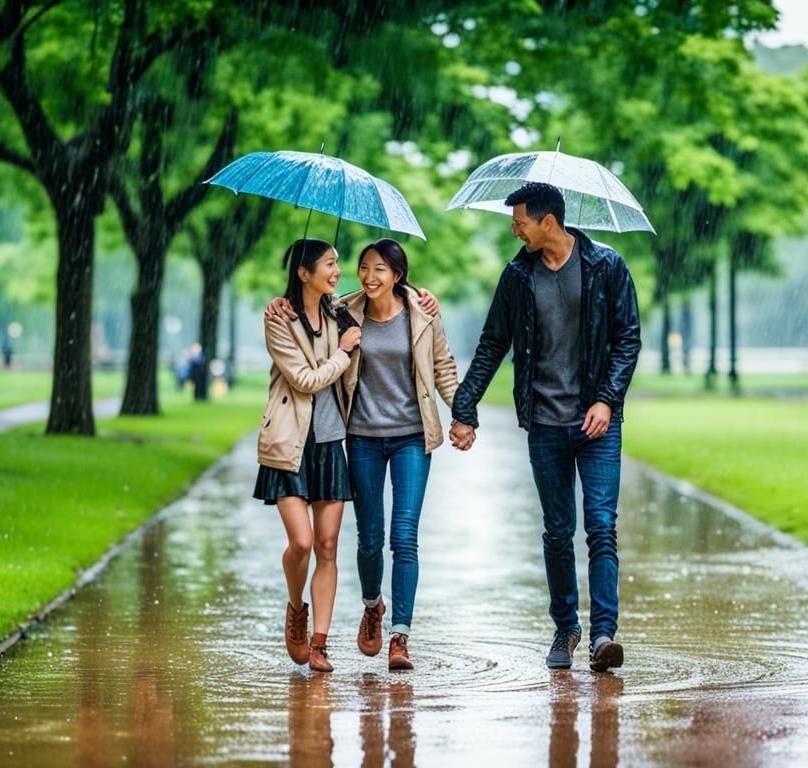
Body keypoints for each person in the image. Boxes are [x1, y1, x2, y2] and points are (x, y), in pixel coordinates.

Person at [449, 181, 641, 673]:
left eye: (520, 221)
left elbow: (627, 339)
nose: (514, 229)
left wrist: (606, 400)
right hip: (546, 425)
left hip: (598, 423)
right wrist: (464, 407)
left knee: (601, 527)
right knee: (558, 532)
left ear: (547, 222)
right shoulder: (518, 275)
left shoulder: (607, 267)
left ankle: (603, 635)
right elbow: (493, 343)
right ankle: (566, 627)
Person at [266, 241, 454, 671]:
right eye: (362, 268)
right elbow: (306, 311)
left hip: (411, 436)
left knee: (404, 534)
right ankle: (372, 605)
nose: (368, 277)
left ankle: (400, 636)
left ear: (398, 275)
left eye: (380, 270)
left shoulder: (423, 312)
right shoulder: (345, 311)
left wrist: (462, 414)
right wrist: (282, 302)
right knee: (369, 539)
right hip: (362, 438)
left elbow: (443, 366)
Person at [254, 238, 361, 673]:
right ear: (304, 272)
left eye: (338, 263)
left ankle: (319, 642)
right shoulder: (279, 319)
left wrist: (418, 295)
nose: (338, 271)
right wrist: (342, 353)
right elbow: (302, 379)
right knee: (301, 542)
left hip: (330, 442)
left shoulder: (341, 312)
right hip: (289, 443)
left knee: (328, 546)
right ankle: (296, 607)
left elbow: (385, 292)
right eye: (330, 264)